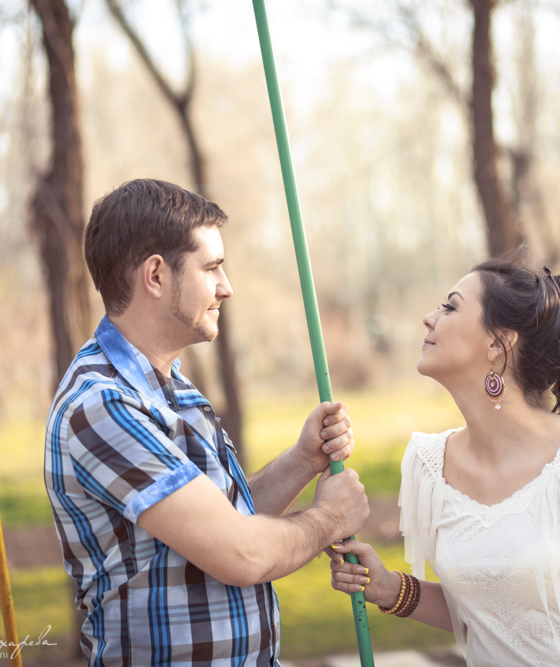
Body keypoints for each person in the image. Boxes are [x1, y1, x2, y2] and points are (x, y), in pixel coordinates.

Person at [45, 178, 369, 666]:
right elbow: (242, 553)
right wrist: (330, 519)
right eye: (212, 267)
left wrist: (303, 461)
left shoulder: (176, 389)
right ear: (155, 275)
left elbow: (221, 521)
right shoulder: (102, 406)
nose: (227, 287)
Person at [328, 255, 560, 666]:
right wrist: (388, 587)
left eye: (450, 306)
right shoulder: (429, 466)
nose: (428, 318)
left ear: (498, 342)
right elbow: (486, 612)